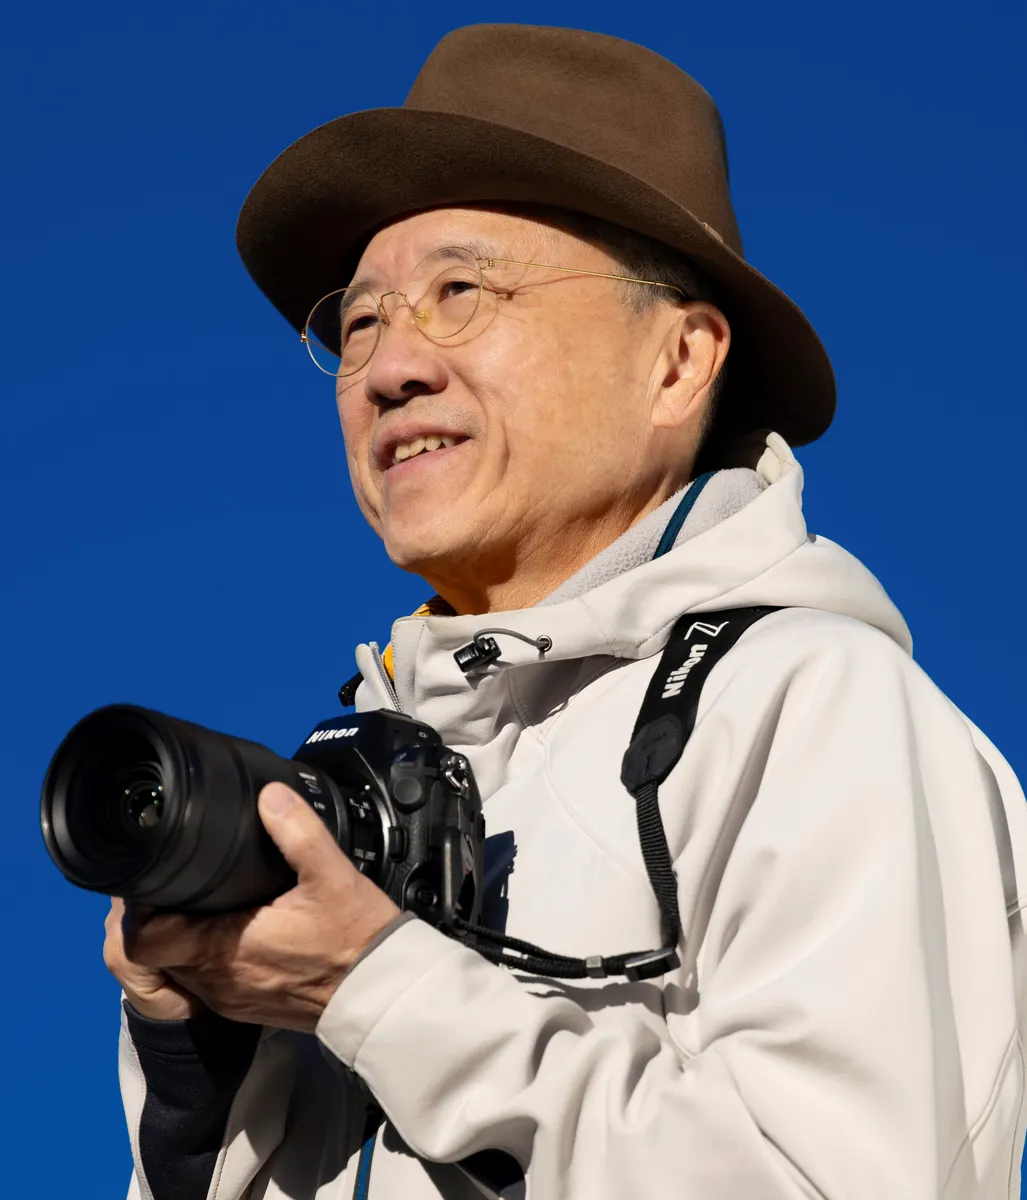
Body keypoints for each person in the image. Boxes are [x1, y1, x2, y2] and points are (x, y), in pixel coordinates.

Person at [103, 23, 1027, 1200]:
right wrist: (201, 1066)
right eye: (361, 322)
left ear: (678, 363)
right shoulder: (365, 789)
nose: (389, 368)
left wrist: (379, 990)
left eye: (460, 293)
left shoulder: (810, 701)